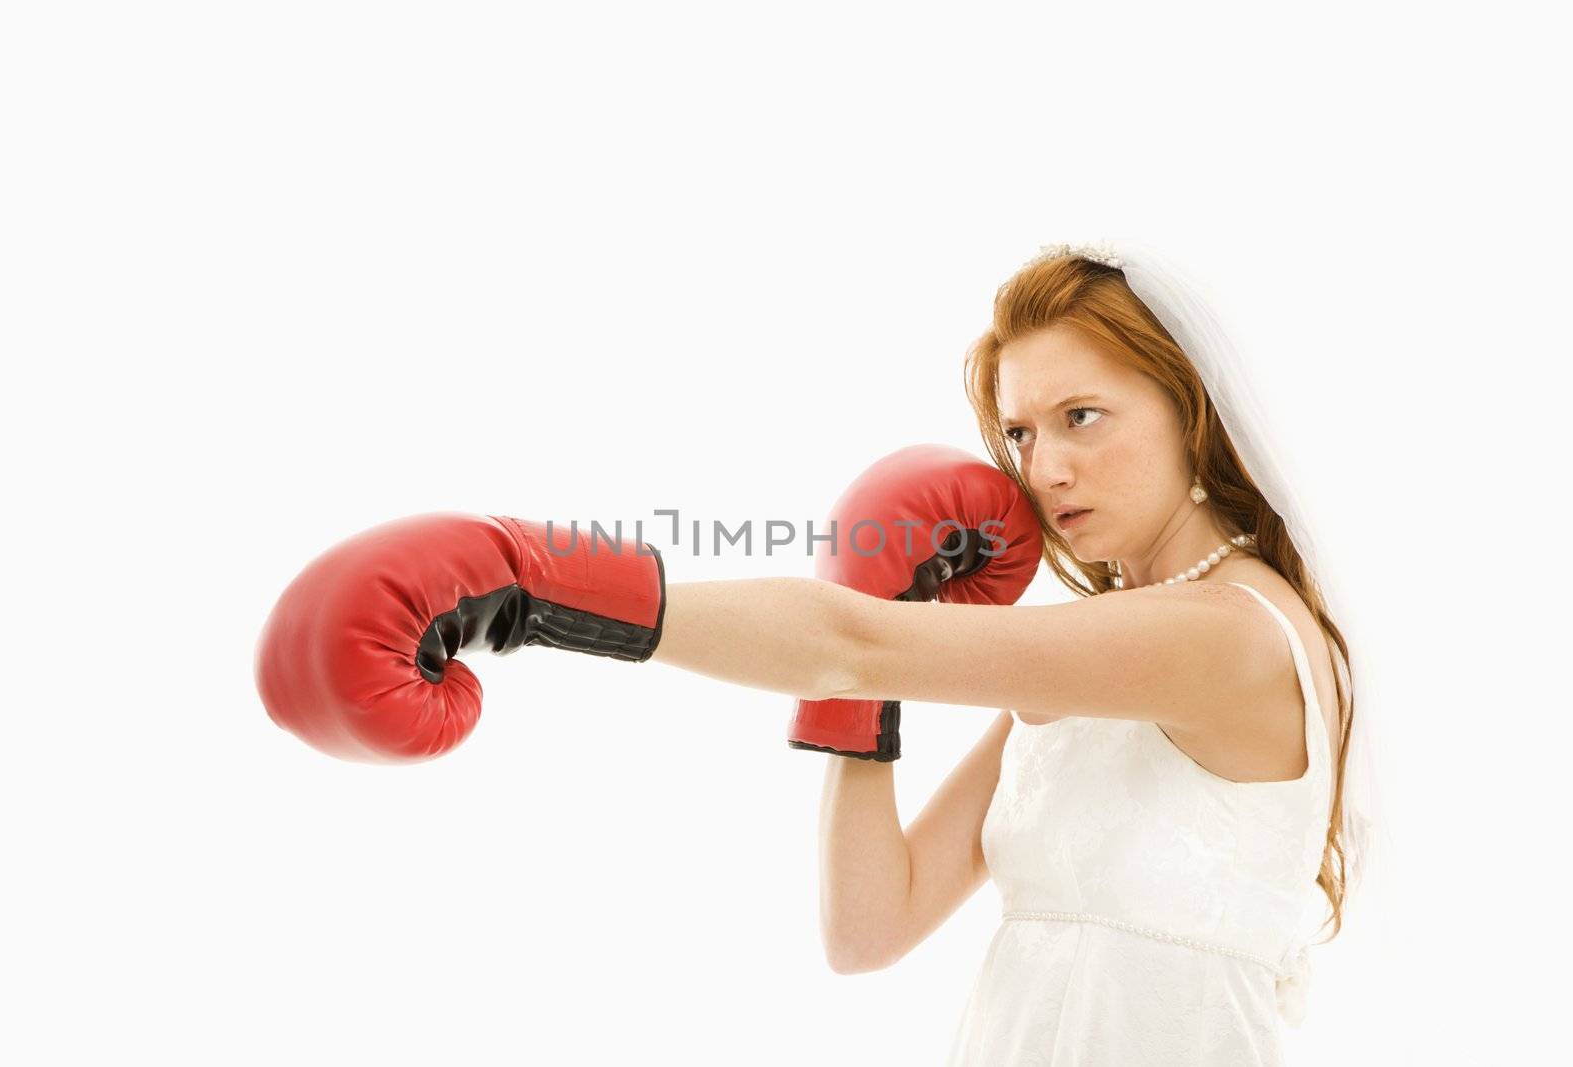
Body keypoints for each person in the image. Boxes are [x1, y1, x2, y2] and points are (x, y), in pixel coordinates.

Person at [254, 241, 1370, 1066]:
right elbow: (867, 925)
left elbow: (847, 638)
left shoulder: (1221, 632)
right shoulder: (1092, 661)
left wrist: (533, 586)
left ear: (1191, 411)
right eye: (1021, 431)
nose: (1045, 468)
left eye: (1084, 416)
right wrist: (861, 701)